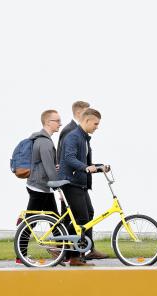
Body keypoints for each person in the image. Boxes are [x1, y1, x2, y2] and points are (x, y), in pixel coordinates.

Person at [58, 108, 109, 266]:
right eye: (95, 124)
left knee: (89, 214)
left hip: (80, 183)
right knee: (80, 219)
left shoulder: (84, 138)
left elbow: (85, 162)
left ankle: (81, 251)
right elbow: (69, 158)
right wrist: (85, 168)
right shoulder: (73, 136)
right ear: (86, 121)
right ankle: (73, 257)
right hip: (70, 182)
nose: (97, 127)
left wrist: (100, 167)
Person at [17, 110, 62, 264]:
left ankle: (61, 252)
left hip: (42, 186)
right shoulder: (44, 142)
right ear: (48, 122)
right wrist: (59, 188)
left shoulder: (43, 140)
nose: (60, 124)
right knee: (31, 222)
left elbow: (47, 166)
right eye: (57, 121)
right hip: (39, 187)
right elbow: (49, 168)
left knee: (55, 220)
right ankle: (20, 255)